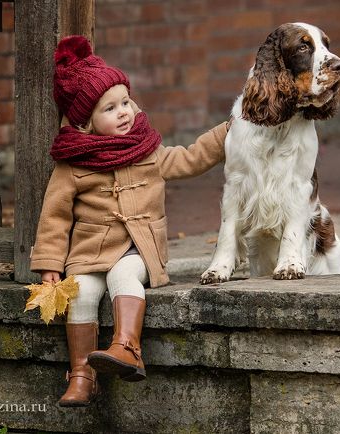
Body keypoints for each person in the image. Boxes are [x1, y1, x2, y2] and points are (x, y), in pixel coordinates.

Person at [30, 35, 228, 407]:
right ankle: (82, 376)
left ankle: (127, 348)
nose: (123, 112)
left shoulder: (147, 149)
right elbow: (54, 216)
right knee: (82, 293)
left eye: (125, 102)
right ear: (87, 124)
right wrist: (49, 265)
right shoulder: (72, 164)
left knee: (123, 276)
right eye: (110, 108)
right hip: (89, 252)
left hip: (140, 248)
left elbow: (189, 158)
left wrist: (225, 134)